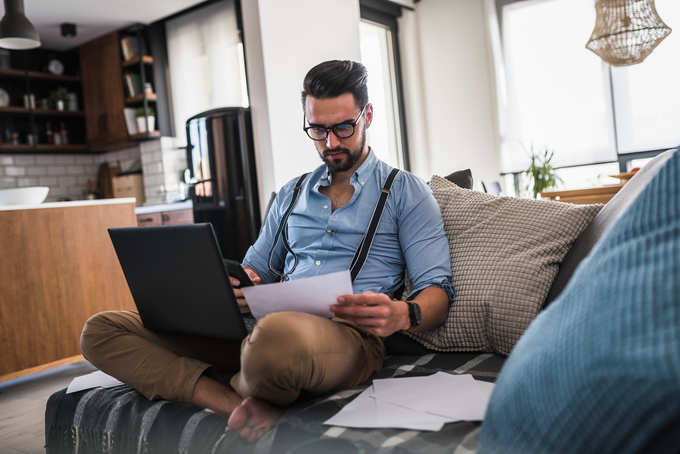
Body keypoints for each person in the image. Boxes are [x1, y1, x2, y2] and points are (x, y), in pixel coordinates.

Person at [80, 60, 454, 443]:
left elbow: (437, 290)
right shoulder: (291, 193)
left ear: (368, 115)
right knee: (100, 331)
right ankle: (230, 400)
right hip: (261, 332)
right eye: (317, 129)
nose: (331, 143)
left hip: (347, 339)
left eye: (343, 127)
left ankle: (235, 375)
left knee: (274, 340)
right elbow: (255, 269)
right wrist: (236, 288)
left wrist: (403, 314)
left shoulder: (405, 191)